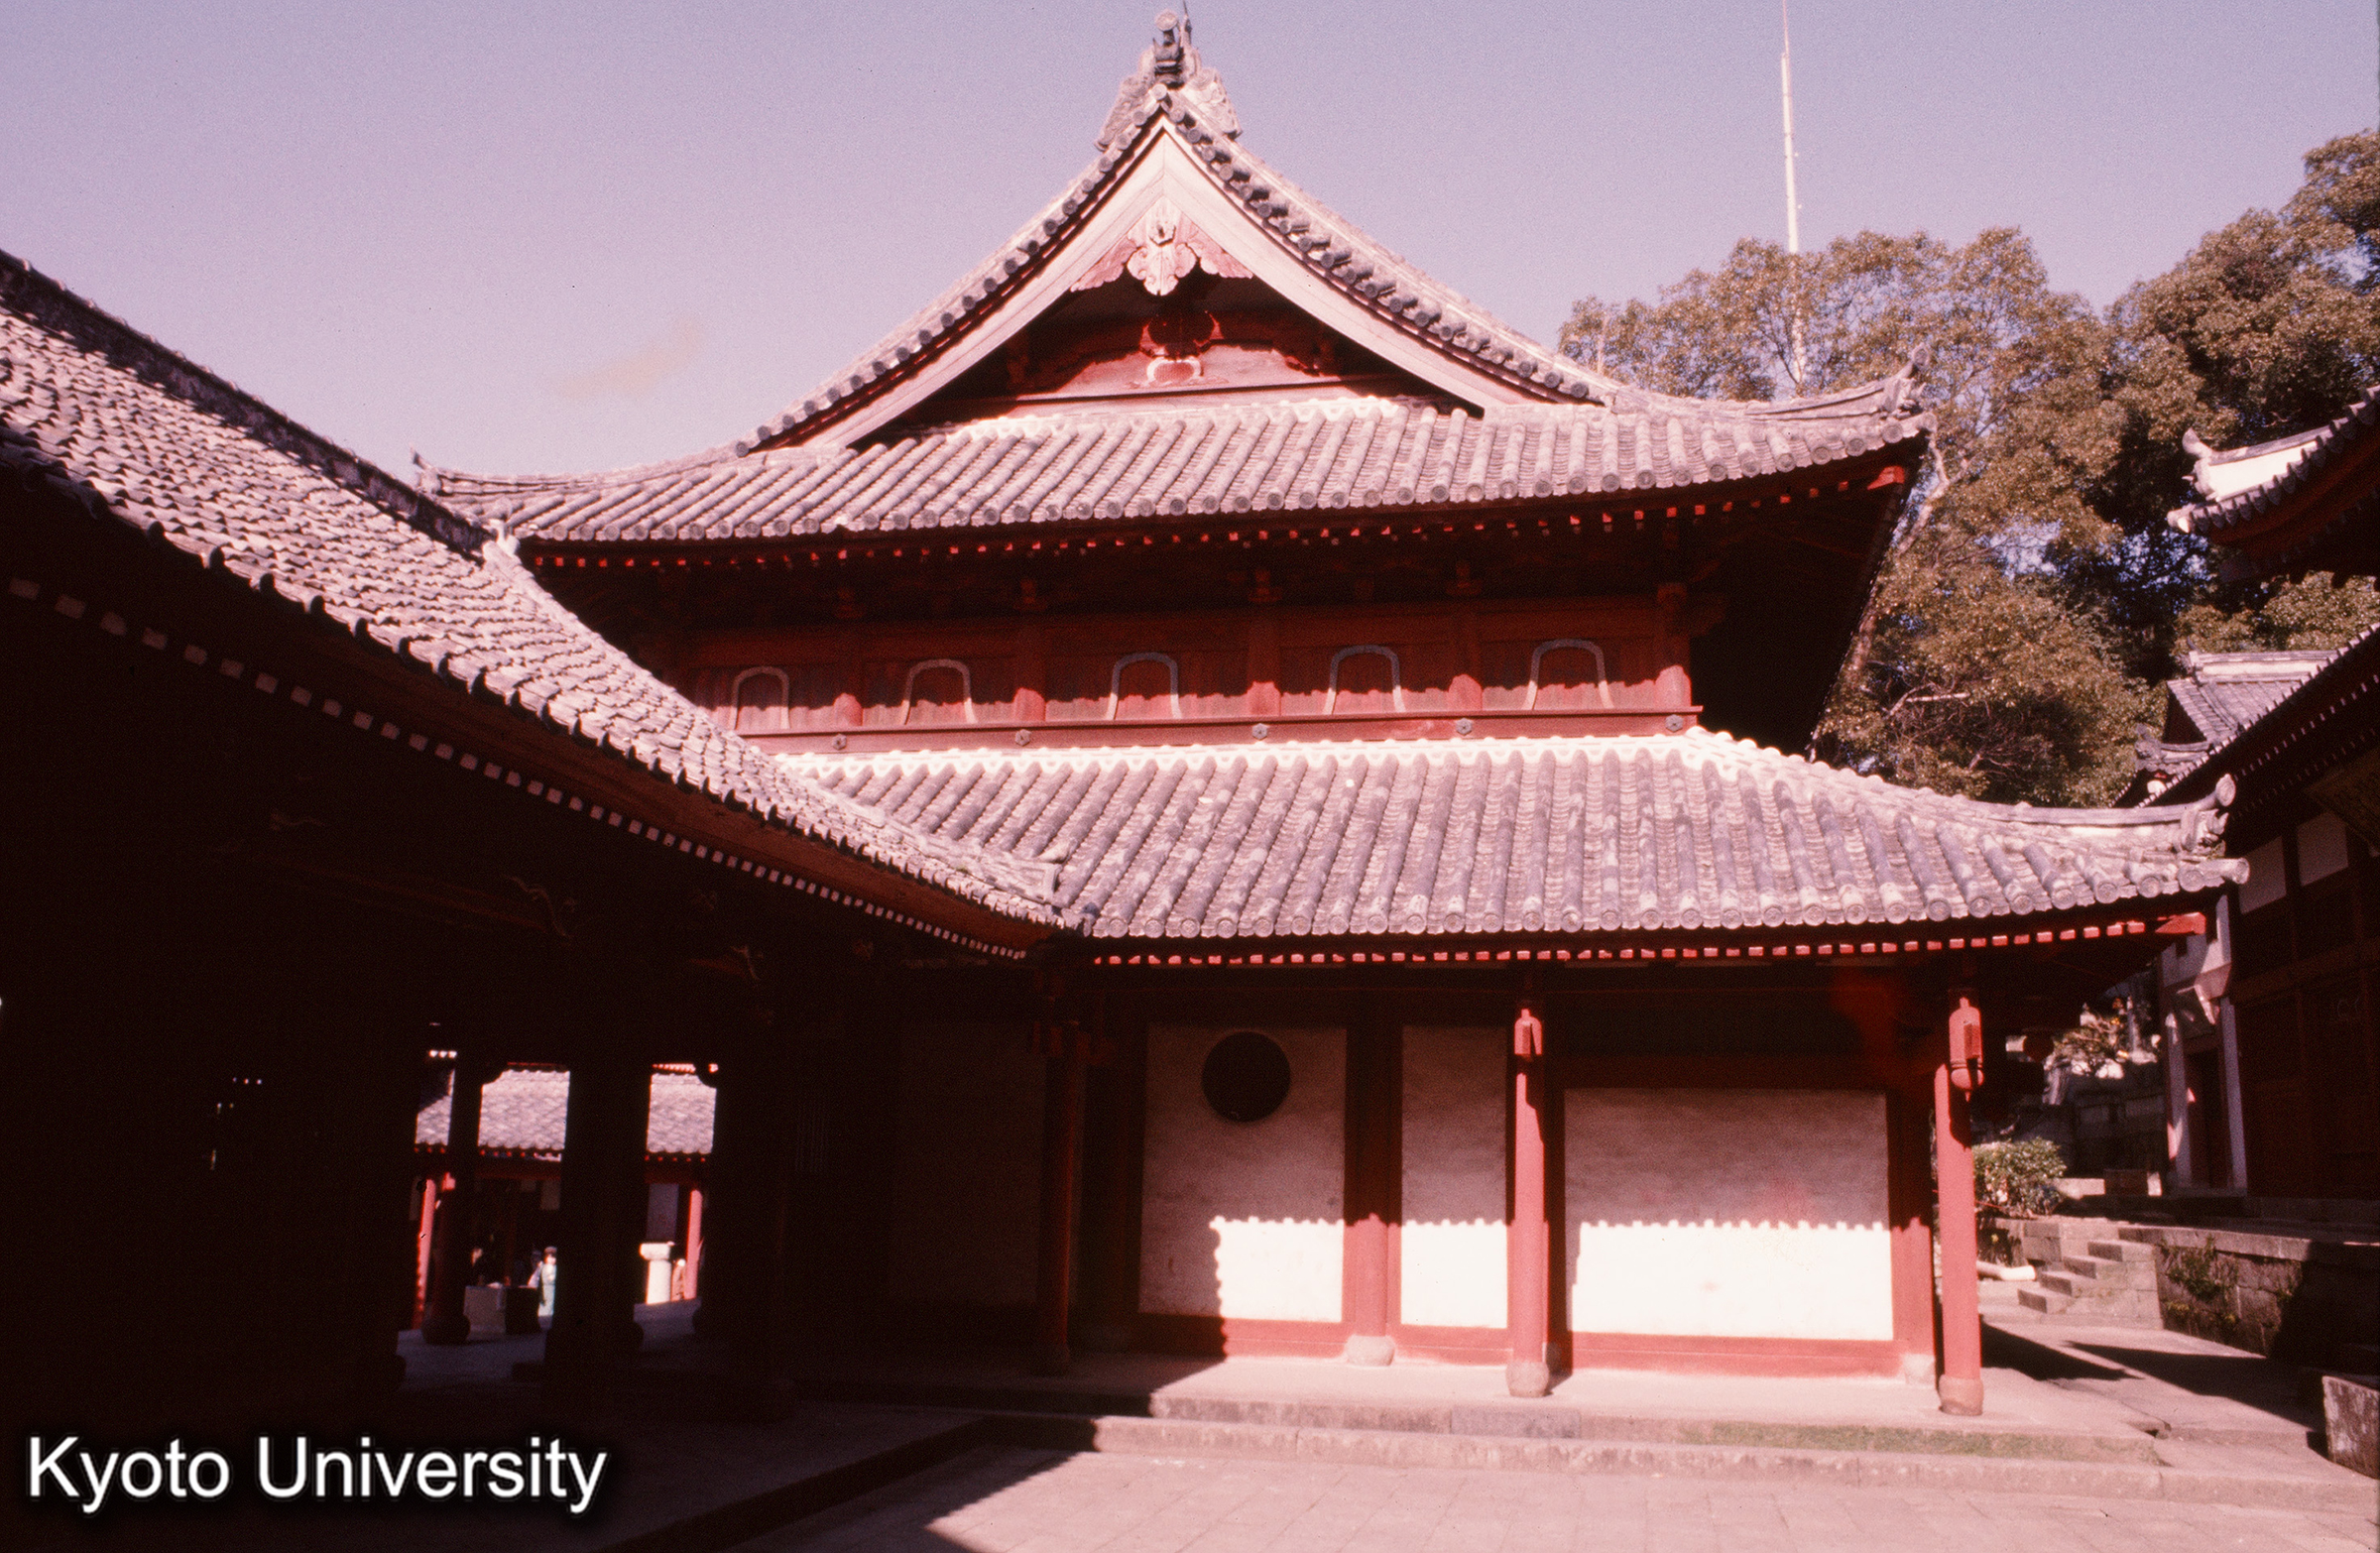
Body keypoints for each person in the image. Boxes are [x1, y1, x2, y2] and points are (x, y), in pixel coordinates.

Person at [528, 1247, 558, 1319]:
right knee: (543, 1308)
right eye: (549, 1257)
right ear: (545, 1258)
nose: (551, 1260)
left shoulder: (556, 1268)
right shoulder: (542, 1267)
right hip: (543, 1292)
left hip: (552, 1291)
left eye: (554, 1257)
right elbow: (534, 1279)